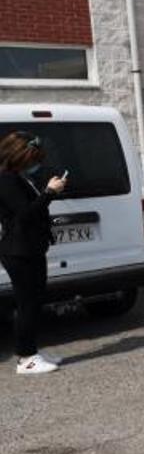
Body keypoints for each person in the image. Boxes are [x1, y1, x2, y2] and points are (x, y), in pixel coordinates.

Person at [0, 132, 67, 374]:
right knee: (27, 304)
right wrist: (49, 193)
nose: (34, 163)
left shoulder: (17, 177)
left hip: (30, 248)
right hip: (19, 251)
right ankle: (26, 358)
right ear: (19, 155)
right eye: (32, 158)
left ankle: (32, 350)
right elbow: (25, 215)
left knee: (35, 302)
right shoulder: (6, 180)